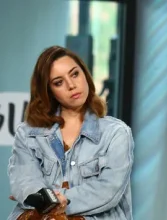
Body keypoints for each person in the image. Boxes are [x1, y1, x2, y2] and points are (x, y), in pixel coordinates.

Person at [7, 46, 134, 220]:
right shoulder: (27, 134)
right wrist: (42, 200)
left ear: (85, 75)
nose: (72, 85)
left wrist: (59, 200)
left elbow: (108, 190)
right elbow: (26, 181)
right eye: (58, 82)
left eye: (75, 74)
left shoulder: (116, 133)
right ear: (48, 91)